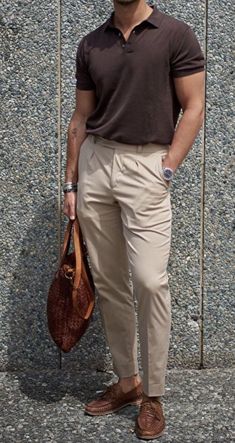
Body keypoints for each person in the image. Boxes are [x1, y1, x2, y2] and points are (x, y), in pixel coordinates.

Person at [63, 0, 205, 439]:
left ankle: (155, 395)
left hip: (147, 165)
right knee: (108, 282)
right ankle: (128, 383)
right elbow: (82, 117)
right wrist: (71, 184)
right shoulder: (91, 44)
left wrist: (168, 167)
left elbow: (194, 105)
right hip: (97, 164)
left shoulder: (175, 34)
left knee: (149, 280)